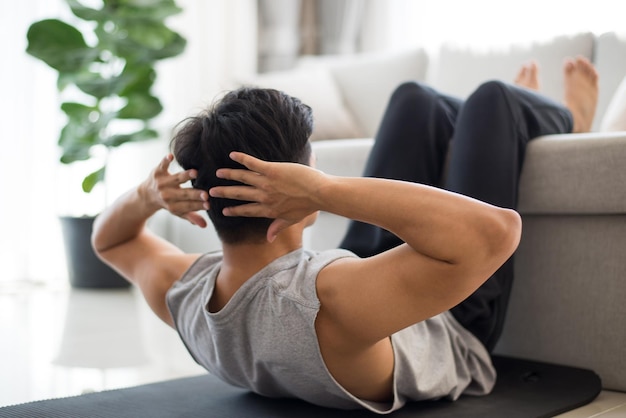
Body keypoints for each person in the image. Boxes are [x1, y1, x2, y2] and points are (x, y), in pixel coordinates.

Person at [92, 56, 598, 414]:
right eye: (309, 163)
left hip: (364, 303)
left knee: (414, 100)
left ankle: (476, 124)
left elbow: (108, 241)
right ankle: (565, 118)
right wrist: (323, 189)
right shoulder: (325, 299)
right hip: (448, 321)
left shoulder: (187, 289)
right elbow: (496, 233)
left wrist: (147, 197)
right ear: (291, 190)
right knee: (495, 102)